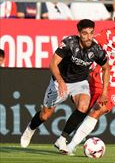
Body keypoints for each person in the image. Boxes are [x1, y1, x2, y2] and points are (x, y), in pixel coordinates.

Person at [55, 5, 115, 155]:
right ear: (114, 18)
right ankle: (62, 139)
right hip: (97, 80)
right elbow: (86, 43)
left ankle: (70, 146)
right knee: (83, 110)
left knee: (98, 110)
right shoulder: (106, 35)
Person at [20, 19, 110, 148]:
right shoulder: (69, 43)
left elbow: (107, 68)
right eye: (85, 33)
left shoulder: (96, 50)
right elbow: (53, 63)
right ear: (79, 33)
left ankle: (62, 139)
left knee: (84, 107)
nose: (89, 37)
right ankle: (30, 129)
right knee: (45, 115)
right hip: (59, 80)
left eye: (91, 33)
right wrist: (61, 82)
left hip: (80, 82)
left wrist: (105, 92)